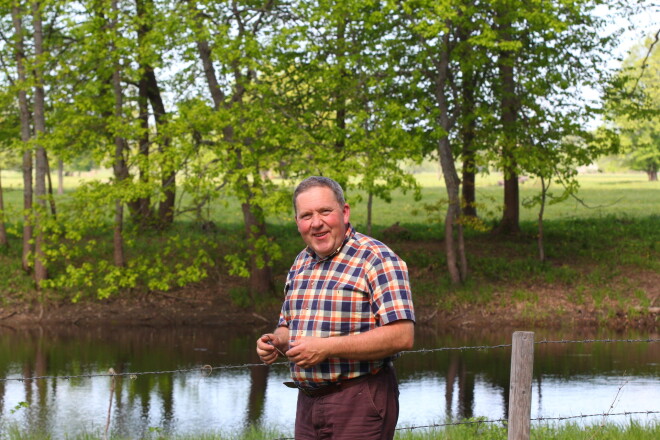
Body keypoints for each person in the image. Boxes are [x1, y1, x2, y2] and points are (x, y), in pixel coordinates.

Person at [256, 176, 415, 440]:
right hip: (307, 402)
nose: (316, 222)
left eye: (324, 211)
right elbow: (287, 324)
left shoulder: (376, 259)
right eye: (306, 215)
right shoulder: (301, 261)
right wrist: (276, 340)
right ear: (297, 222)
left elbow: (403, 335)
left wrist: (326, 347)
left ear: (344, 212)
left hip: (359, 399)